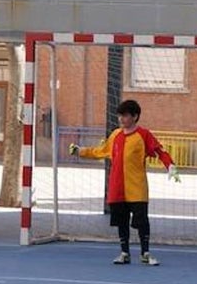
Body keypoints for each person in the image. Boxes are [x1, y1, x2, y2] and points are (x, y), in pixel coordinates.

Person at [68, 99, 180, 265]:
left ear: (135, 117)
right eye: (120, 115)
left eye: (125, 116)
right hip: (117, 187)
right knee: (122, 221)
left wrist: (170, 166)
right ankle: (124, 252)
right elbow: (101, 151)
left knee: (142, 221)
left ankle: (145, 253)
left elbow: (159, 150)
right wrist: (81, 151)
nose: (121, 119)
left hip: (137, 187)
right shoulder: (115, 135)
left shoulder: (143, 135)